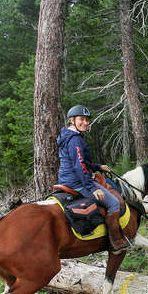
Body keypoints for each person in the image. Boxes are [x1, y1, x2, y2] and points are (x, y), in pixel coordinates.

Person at [57, 105, 130, 254]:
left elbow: (80, 162)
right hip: (77, 182)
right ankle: (116, 242)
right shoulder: (75, 139)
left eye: (87, 120)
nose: (86, 122)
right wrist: (93, 188)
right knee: (114, 203)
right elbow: (79, 167)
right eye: (81, 119)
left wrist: (97, 167)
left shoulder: (68, 136)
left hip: (69, 178)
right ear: (72, 120)